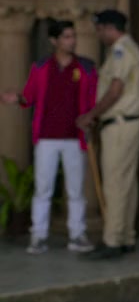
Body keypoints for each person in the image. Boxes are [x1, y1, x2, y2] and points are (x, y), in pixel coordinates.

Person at [1, 20, 98, 254]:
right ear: (54, 41)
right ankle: (38, 236)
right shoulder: (41, 66)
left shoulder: (86, 67)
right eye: (66, 37)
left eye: (73, 36)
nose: (72, 41)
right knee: (43, 189)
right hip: (46, 137)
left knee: (75, 190)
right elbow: (30, 96)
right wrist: (17, 98)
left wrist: (92, 120)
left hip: (75, 137)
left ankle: (77, 235)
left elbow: (94, 98)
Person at [77, 9, 139, 260]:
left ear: (109, 28)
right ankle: (125, 236)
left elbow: (115, 90)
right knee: (126, 183)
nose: (98, 35)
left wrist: (91, 114)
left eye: (100, 30)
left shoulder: (121, 51)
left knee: (115, 183)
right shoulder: (129, 49)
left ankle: (113, 240)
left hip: (119, 124)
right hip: (127, 124)